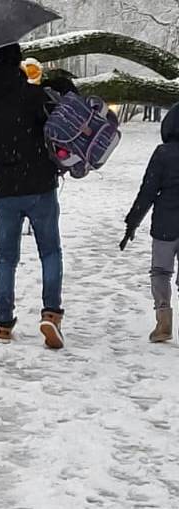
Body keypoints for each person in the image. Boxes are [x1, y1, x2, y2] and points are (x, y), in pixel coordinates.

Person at [0, 43, 65, 349]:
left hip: (4, 189)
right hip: (40, 185)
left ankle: (3, 324)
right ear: (18, 62)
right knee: (50, 251)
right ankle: (51, 314)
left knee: (6, 257)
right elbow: (57, 130)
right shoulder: (33, 96)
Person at [120, 103, 179, 343]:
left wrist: (132, 222)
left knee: (160, 272)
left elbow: (148, 191)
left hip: (165, 223)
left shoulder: (162, 153)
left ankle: (163, 320)